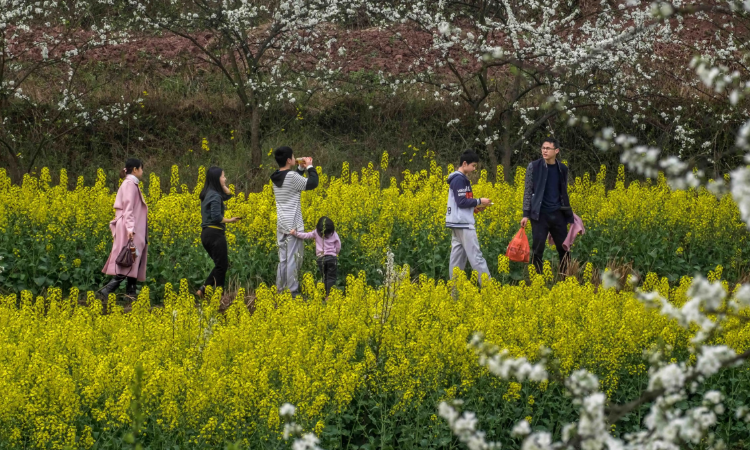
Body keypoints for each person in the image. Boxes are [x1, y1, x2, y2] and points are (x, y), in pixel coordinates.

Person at [521, 137, 574, 275]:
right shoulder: (534, 166)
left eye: (548, 148)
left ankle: (565, 280)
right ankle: (537, 281)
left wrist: (568, 212)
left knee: (564, 249)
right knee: (537, 250)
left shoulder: (562, 168)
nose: (544, 151)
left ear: (556, 151)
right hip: (539, 215)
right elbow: (528, 191)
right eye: (543, 148)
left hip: (558, 215)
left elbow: (563, 191)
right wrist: (526, 214)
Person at [271, 146, 319, 295]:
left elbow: (293, 183)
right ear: (288, 160)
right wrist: (310, 166)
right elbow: (312, 183)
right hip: (294, 226)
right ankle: (292, 291)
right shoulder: (291, 177)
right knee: (294, 259)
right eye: (293, 156)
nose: (294, 157)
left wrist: (299, 168)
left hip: (282, 225)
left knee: (283, 259)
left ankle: (280, 289)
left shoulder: (276, 176)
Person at [98, 158, 149, 300]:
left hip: (131, 226)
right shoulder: (129, 185)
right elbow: (128, 208)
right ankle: (108, 290)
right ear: (135, 170)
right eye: (141, 169)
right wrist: (131, 228)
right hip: (129, 227)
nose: (142, 172)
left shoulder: (132, 184)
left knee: (133, 257)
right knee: (128, 257)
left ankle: (130, 293)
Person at [445, 149, 492, 285]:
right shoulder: (459, 179)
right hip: (464, 225)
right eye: (473, 166)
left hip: (456, 224)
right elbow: (461, 202)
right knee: (477, 258)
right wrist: (479, 201)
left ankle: (455, 293)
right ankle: (488, 289)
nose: (474, 169)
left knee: (456, 263)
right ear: (464, 163)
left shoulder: (457, 179)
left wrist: (476, 208)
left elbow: (461, 203)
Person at [196, 167, 242, 298]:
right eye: (223, 176)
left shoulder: (208, 193)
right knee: (222, 266)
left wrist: (224, 186)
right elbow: (216, 217)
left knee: (220, 265)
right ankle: (219, 296)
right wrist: (231, 220)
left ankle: (203, 289)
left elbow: (227, 196)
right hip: (215, 234)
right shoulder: (215, 196)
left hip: (207, 235)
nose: (225, 178)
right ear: (217, 178)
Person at [291, 216, 341, 296]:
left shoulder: (316, 232)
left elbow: (306, 235)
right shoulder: (334, 233)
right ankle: (329, 296)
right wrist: (336, 253)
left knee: (324, 277)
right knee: (331, 278)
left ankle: (324, 293)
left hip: (321, 259)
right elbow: (338, 245)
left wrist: (295, 233)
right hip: (332, 258)